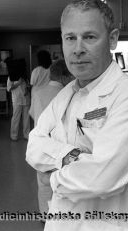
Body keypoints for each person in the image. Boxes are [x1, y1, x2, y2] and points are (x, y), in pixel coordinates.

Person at [25, 0, 128, 231]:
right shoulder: (66, 94)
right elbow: (34, 146)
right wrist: (70, 157)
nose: (77, 49)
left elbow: (102, 177)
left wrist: (51, 177)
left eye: (89, 37)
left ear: (113, 39)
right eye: (70, 38)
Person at [29, 59, 74, 216]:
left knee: (43, 182)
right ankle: (60, 215)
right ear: (64, 76)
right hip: (63, 147)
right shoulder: (69, 94)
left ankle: (44, 214)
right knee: (62, 182)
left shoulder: (38, 92)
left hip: (41, 144)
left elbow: (32, 114)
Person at [7, 61, 30, 141]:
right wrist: (18, 83)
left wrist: (27, 90)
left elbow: (27, 86)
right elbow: (9, 88)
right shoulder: (11, 76)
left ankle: (26, 135)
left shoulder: (24, 76)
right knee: (16, 118)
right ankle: (14, 135)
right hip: (17, 100)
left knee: (26, 118)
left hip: (26, 99)